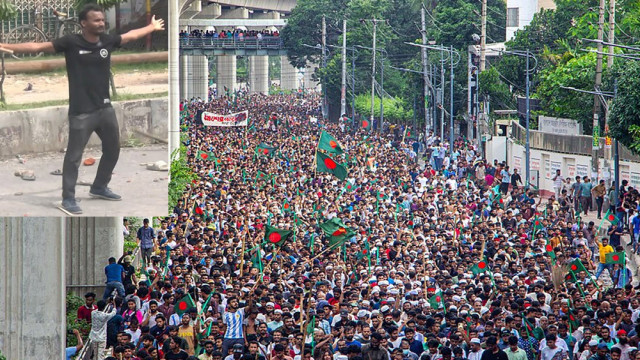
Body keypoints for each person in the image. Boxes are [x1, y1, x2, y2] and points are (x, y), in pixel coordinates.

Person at [0, 4, 165, 214]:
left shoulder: (107, 40)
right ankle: (68, 198)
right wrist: (4, 45)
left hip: (105, 109)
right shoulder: (71, 42)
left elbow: (131, 35)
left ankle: (99, 187)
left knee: (113, 149)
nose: (101, 23)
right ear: (83, 23)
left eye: (102, 20)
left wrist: (150, 27)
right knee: (74, 157)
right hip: (81, 112)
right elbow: (37, 46)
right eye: (96, 20)